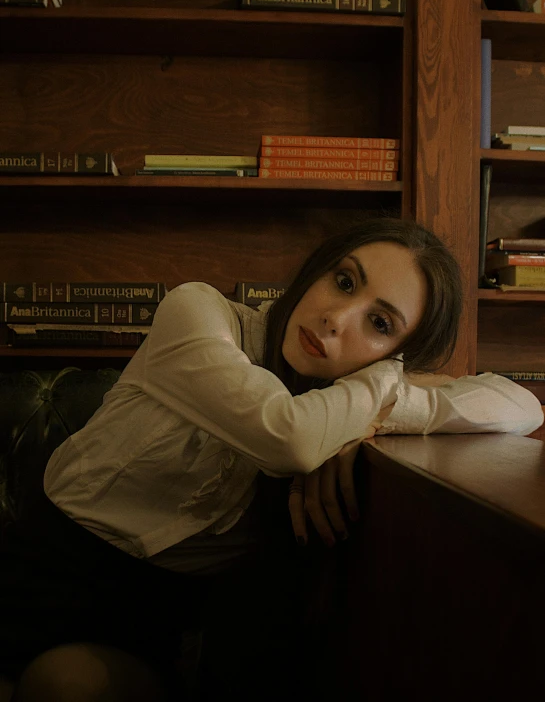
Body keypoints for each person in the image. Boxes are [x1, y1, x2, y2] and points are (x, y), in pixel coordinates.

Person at [0, 217, 542, 702]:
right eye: (344, 281)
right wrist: (383, 383)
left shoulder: (345, 401)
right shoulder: (199, 313)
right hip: (47, 572)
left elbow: (519, 403)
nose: (335, 317)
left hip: (163, 623)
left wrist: (364, 423)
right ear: (315, 271)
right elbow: (289, 438)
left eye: (379, 324)